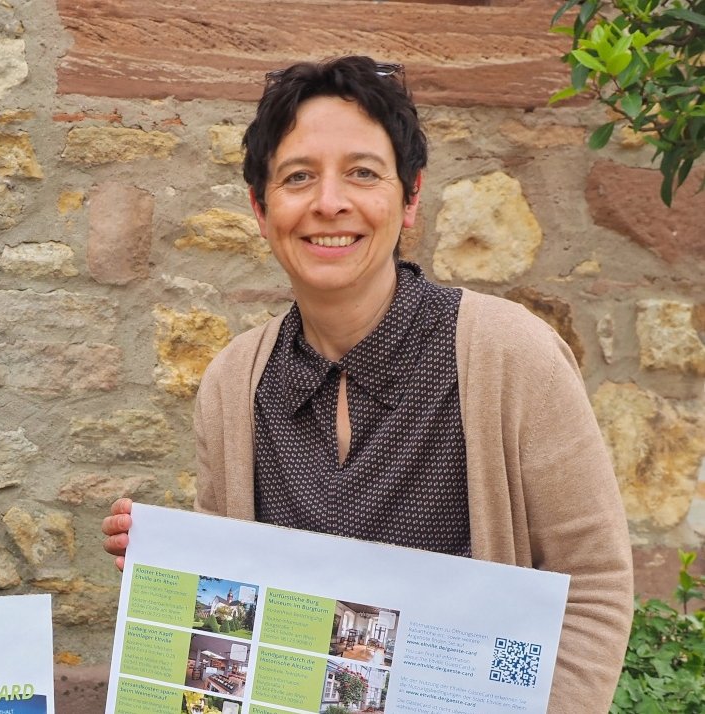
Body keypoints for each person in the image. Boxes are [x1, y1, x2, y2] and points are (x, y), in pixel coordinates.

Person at [101, 56, 631, 713]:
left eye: (363, 173)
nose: (329, 203)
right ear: (261, 208)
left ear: (410, 197)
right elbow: (239, 601)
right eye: (298, 177)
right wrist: (171, 567)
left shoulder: (513, 357)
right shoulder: (233, 386)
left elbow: (594, 586)